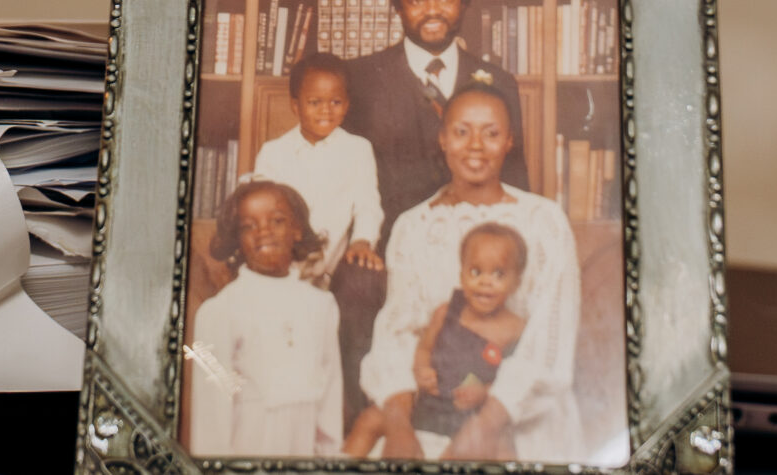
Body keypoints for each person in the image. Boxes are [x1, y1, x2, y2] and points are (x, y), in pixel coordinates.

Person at [337, 0, 528, 419]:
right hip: (386, 246)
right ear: (398, 6)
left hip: (475, 245)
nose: (432, 11)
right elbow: (345, 169)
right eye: (417, 0)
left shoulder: (496, 80)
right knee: (356, 288)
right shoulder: (361, 78)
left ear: (463, 1)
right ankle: (367, 420)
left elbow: (518, 175)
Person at [358, 85, 581, 461]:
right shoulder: (413, 226)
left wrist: (482, 428)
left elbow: (549, 341)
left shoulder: (544, 221)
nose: (475, 145)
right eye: (462, 131)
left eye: (491, 133)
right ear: (442, 139)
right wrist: (399, 429)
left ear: (509, 141)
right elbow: (397, 332)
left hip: (516, 410)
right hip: (431, 407)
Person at [186, 181, 344, 458]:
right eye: (249, 226)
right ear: (237, 238)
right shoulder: (220, 312)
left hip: (304, 451)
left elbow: (329, 398)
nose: (264, 232)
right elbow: (211, 419)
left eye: (277, 220)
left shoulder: (321, 305)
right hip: (248, 449)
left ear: (297, 229)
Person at [249, 51, 386, 288]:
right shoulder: (273, 153)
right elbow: (263, 215)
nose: (326, 111)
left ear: (347, 104)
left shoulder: (358, 149)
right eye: (315, 103)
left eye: (336, 102)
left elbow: (368, 206)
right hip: (281, 263)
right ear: (295, 105)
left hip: (332, 269)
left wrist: (362, 241)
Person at [408, 224, 529, 439]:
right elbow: (424, 348)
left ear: (516, 283)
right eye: (475, 272)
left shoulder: (516, 329)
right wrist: (422, 369)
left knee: (501, 448)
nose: (485, 282)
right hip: (431, 407)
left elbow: (517, 379)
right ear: (461, 274)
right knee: (371, 420)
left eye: (499, 274)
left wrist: (486, 392)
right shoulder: (445, 313)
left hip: (474, 418)